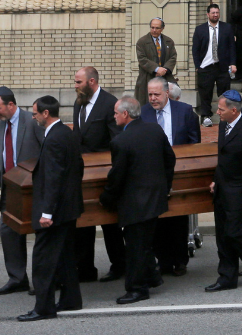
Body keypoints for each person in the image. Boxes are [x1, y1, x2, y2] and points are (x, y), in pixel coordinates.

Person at [98, 96, 176, 305]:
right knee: (144, 243)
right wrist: (165, 185)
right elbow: (170, 159)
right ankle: (152, 276)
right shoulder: (155, 130)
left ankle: (137, 289)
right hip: (155, 198)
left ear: (125, 114)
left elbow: (117, 176)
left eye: (115, 113)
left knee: (135, 247)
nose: (113, 116)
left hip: (135, 203)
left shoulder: (120, 141)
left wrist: (106, 198)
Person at [18, 96, 83, 321]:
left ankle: (44, 308)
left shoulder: (55, 137)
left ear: (46, 114)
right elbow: (78, 169)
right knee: (65, 256)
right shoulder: (67, 133)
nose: (33, 116)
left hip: (54, 212)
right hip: (68, 208)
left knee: (43, 260)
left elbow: (54, 178)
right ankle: (71, 299)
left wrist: (47, 213)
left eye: (35, 113)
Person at [140, 77, 199, 277]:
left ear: (167, 93)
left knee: (178, 219)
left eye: (156, 94)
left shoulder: (185, 111)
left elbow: (194, 143)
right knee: (157, 220)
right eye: (150, 94)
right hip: (152, 173)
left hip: (179, 173)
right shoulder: (143, 113)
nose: (153, 98)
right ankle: (163, 261)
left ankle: (180, 260)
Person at [72, 66, 125, 284]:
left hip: (103, 174)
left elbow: (116, 141)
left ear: (91, 81)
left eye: (78, 82)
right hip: (81, 175)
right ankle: (85, 269)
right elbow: (77, 135)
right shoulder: (79, 102)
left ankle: (120, 265)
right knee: (84, 223)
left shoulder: (109, 103)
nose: (75, 86)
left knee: (109, 224)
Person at [206, 91, 242, 292]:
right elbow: (223, 159)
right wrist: (215, 180)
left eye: (221, 109)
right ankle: (227, 277)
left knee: (234, 233)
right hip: (222, 189)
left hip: (239, 192)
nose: (217, 112)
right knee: (222, 236)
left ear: (233, 110)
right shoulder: (224, 125)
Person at [0, 87, 43, 296]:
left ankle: (42, 280)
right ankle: (17, 278)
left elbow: (46, 149)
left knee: (39, 232)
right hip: (10, 188)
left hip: (32, 187)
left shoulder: (31, 120)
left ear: (10, 104)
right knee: (7, 230)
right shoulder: (1, 125)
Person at [193, 3, 237, 128]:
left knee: (225, 92)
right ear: (208, 14)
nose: (215, 15)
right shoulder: (200, 29)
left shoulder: (226, 28)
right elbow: (195, 49)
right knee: (205, 93)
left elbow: (232, 47)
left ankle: (226, 116)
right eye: (213, 13)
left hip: (222, 66)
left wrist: (233, 63)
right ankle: (206, 116)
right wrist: (198, 66)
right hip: (206, 66)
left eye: (217, 12)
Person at [134, 17, 176, 105]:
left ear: (162, 28)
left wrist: (164, 70)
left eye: (157, 28)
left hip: (165, 77)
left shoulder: (169, 41)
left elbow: (173, 57)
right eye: (152, 27)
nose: (154, 30)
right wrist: (156, 69)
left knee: (166, 102)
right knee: (147, 104)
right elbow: (142, 59)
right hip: (147, 78)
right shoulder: (142, 42)